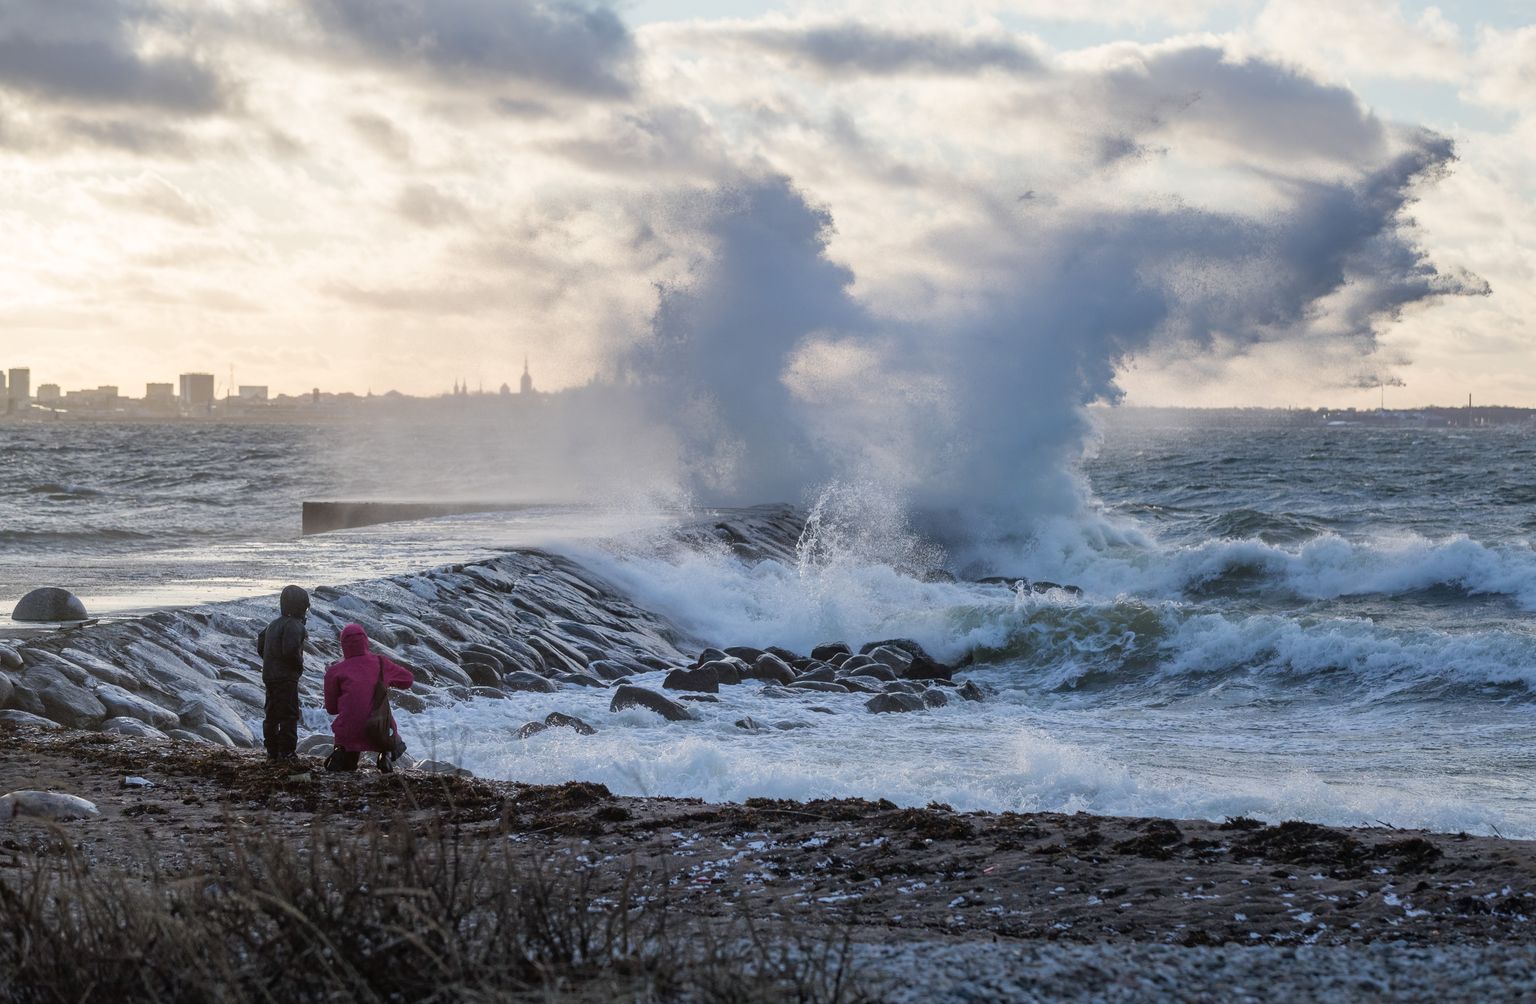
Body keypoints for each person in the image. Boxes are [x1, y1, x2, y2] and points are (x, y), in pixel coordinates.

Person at [323, 623, 414, 773]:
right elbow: (408, 680)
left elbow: (331, 709)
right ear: (366, 642)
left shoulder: (334, 671)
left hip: (348, 732)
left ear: (343, 645)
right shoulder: (380, 663)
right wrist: (384, 681)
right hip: (378, 730)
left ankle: (342, 754)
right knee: (382, 709)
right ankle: (386, 753)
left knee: (348, 738)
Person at [255, 584, 309, 761]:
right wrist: (298, 666)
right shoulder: (295, 625)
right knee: (289, 714)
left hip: (270, 675)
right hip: (286, 678)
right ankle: (287, 751)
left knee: (271, 714)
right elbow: (290, 651)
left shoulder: (272, 624)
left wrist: (269, 659)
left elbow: (261, 643)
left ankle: (272, 750)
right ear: (300, 607)